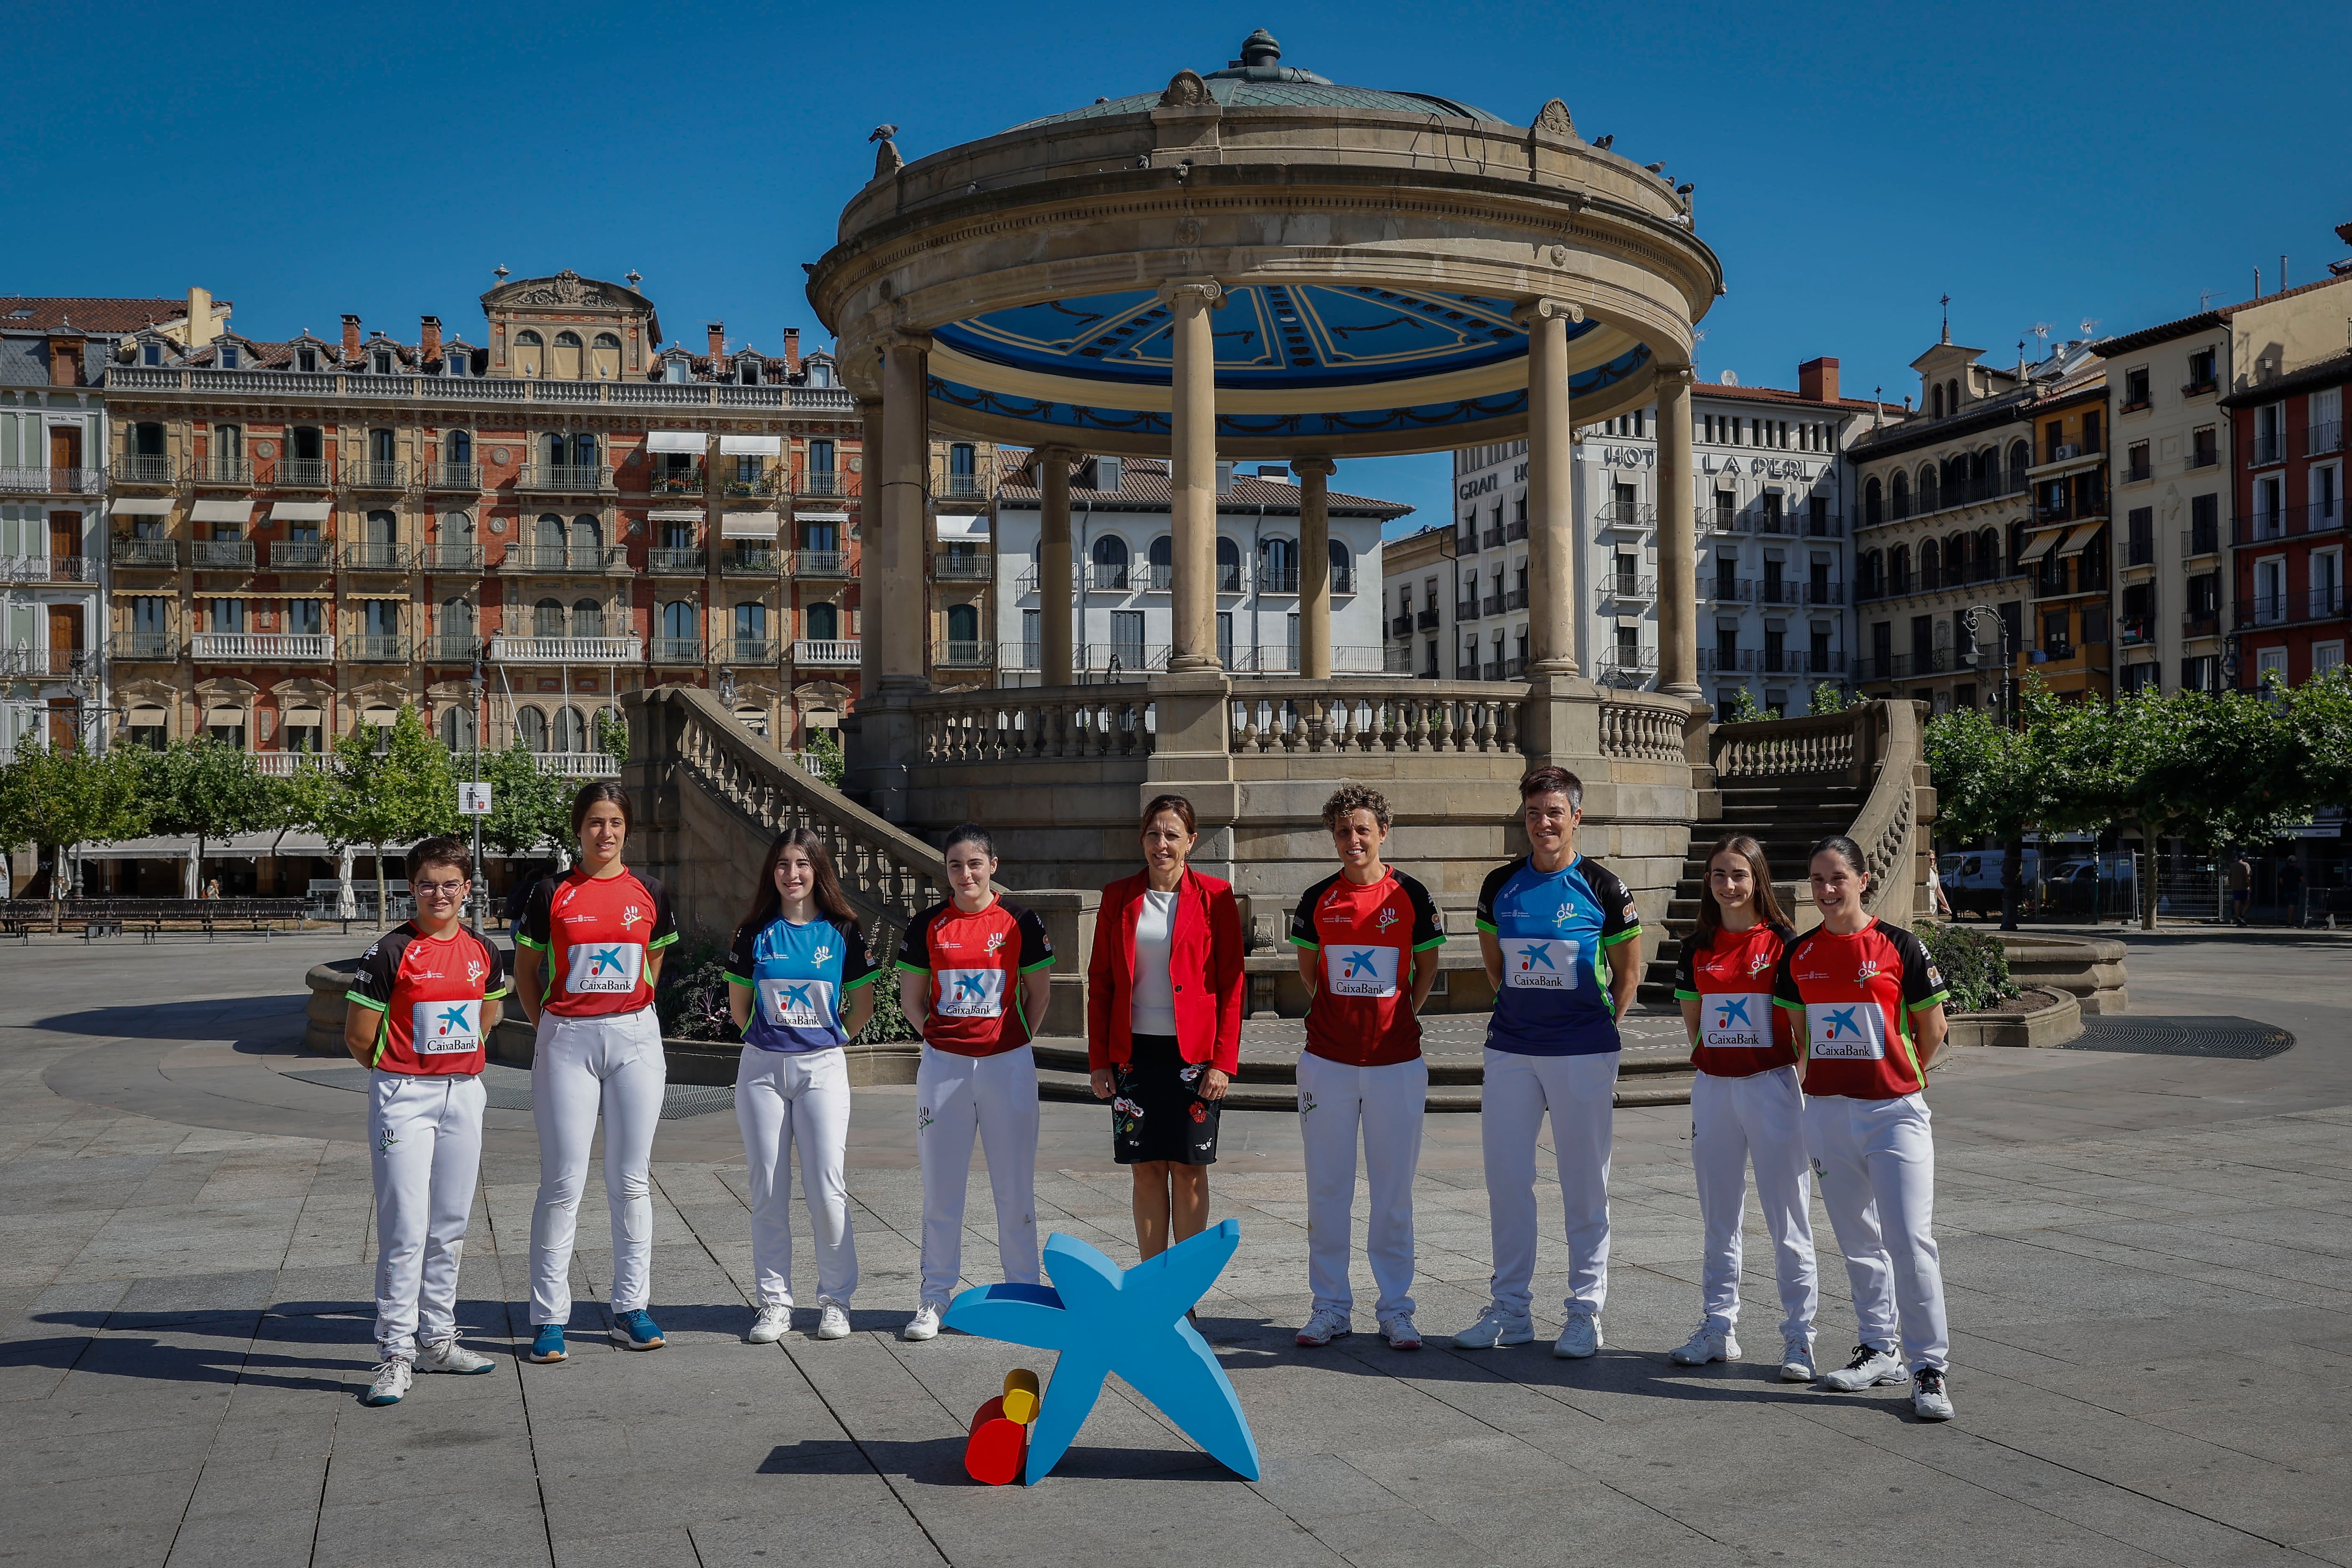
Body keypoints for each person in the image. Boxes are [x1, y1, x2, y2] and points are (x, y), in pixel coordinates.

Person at [1454, 767, 1642, 1358]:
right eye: (1533, 813)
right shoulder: (1500, 885)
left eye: (1554, 812)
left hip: (1582, 1051)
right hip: (1511, 1049)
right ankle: (1510, 1308)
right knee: (1507, 1182)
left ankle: (1585, 1312)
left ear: (1576, 817)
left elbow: (1629, 972)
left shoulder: (1604, 888)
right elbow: (1494, 969)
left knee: (1584, 1186)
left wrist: (1598, 1031)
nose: (1543, 823)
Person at [1774, 834, 1955, 1421]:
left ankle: (1929, 1368)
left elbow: (1933, 1029)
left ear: (1862, 879)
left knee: (1909, 1238)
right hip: (1826, 1112)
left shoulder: (1900, 945)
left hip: (1893, 1112)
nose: (1826, 890)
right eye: (1817, 880)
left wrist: (1898, 1077)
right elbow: (1798, 1038)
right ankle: (1879, 1348)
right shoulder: (1797, 955)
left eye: (1837, 878)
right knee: (1857, 1239)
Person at [342, 836, 510, 1407]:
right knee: (405, 1225)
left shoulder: (483, 949)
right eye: (427, 884)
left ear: (468, 887)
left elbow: (492, 1005)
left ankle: (438, 1337)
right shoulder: (390, 951)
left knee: (451, 1223)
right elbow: (359, 1037)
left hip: (463, 1092)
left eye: (450, 883)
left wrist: (466, 1053)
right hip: (403, 1094)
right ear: (411, 888)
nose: (439, 894)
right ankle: (396, 1350)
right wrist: (402, 1074)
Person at [514, 781, 678, 1363]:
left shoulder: (650, 891)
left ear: (625, 828)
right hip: (568, 1038)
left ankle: (632, 1306)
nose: (603, 833)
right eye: (593, 823)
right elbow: (526, 972)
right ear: (578, 829)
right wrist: (553, 1028)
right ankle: (548, 1318)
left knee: (632, 1180)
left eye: (613, 822)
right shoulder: (550, 891)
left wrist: (626, 1012)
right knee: (562, 1182)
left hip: (634, 1035)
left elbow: (652, 960)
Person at [1287, 785, 1445, 1351]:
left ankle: (1396, 1309)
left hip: (1395, 1063)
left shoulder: (1411, 894)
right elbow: (1311, 974)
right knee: (1327, 1190)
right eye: (1341, 831)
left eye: (1361, 829)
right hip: (1325, 1063)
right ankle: (1329, 1306)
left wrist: (1394, 1016)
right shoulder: (1316, 898)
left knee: (1392, 1193)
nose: (1351, 840)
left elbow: (1425, 970)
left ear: (1382, 831)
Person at [1669, 834, 1819, 1380]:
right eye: (1717, 875)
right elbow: (1694, 1023)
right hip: (1713, 1089)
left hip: (1771, 1086)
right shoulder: (1696, 948)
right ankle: (1717, 1327)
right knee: (1718, 1217)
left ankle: (1799, 1338)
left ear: (1757, 878)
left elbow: (1800, 1029)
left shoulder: (1784, 943)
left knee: (1788, 1217)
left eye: (1737, 874)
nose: (1727, 885)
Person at [897, 824, 1054, 1341]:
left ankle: (1025, 1294)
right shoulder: (927, 924)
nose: (965, 874)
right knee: (942, 1190)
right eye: (955, 866)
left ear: (993, 865)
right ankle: (934, 1298)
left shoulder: (1020, 921)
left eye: (974, 864)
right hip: (944, 1069)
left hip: (1007, 1064)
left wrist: (1011, 1038)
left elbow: (1039, 993)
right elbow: (912, 1001)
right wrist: (942, 1040)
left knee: (1015, 1188)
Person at [724, 829, 879, 1345]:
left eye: (802, 864)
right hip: (763, 1069)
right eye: (783, 864)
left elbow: (862, 1005)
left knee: (825, 1187)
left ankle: (836, 1301)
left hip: (821, 1069)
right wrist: (763, 1041)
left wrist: (828, 1040)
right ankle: (774, 1303)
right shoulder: (753, 932)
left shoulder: (843, 931)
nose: (792, 874)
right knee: (767, 1188)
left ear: (817, 870)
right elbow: (739, 1005)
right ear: (772, 873)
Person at [1087, 795, 1243, 1267]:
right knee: (1146, 1169)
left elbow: (1232, 984)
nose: (1161, 844)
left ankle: (1184, 1293)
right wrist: (1098, 1061)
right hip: (1133, 1056)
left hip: (1193, 1057)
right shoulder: (1118, 897)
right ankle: (1153, 1285)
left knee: (1190, 1169)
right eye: (1153, 834)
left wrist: (1223, 1061)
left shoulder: (1215, 897)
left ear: (1190, 841)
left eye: (1172, 835)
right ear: (1141, 839)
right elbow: (1101, 983)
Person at [2228, 854, 2252, 926]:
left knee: (2237, 903)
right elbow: (2248, 877)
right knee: (2248, 902)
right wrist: (2250, 886)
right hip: (2244, 887)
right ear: (2244, 857)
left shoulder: (2232, 866)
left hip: (2235, 887)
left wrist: (2231, 885)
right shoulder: (2246, 865)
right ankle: (2241, 917)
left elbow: (2230, 877)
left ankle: (2238, 918)